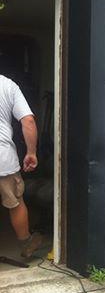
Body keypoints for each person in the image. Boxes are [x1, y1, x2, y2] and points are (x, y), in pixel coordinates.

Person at [0, 75, 41, 258]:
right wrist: (31, 152)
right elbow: (28, 121)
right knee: (15, 202)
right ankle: (26, 242)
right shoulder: (8, 85)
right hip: (3, 158)